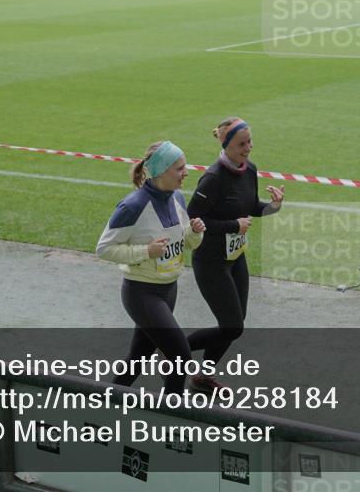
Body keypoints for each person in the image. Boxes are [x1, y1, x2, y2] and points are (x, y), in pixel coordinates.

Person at [96, 141, 205, 394]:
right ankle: (171, 419)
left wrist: (195, 232)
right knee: (180, 356)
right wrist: (146, 251)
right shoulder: (132, 206)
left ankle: (102, 407)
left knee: (138, 358)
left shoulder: (177, 197)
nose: (186, 172)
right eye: (179, 169)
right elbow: (103, 248)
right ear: (161, 171)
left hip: (168, 290)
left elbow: (186, 242)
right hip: (142, 293)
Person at [186, 117, 285, 392]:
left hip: (235, 258)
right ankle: (174, 350)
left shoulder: (249, 169)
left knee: (234, 323)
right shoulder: (213, 178)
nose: (248, 148)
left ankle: (202, 377)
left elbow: (251, 206)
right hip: (210, 261)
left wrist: (273, 207)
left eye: (250, 142)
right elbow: (193, 217)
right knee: (232, 327)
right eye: (242, 144)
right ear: (227, 145)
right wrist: (233, 225)